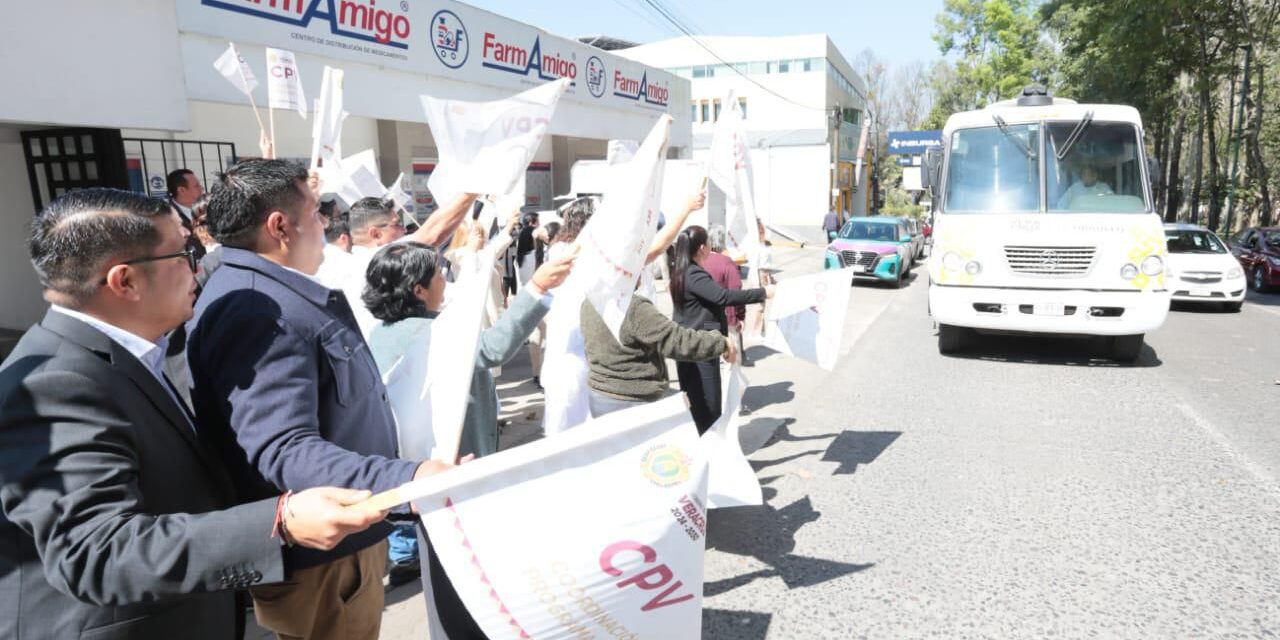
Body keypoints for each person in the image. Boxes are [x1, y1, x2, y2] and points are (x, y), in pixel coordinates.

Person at [0, 188, 389, 640]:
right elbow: (94, 553)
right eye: (185, 253)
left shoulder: (138, 350)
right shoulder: (54, 385)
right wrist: (279, 522)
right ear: (124, 282)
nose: (200, 266)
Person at [185, 160, 462, 640]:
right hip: (326, 559)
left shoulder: (269, 291)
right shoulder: (254, 307)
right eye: (317, 214)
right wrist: (408, 479)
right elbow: (283, 450)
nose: (327, 226)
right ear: (280, 226)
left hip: (342, 543)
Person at [670, 225, 770, 433]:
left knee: (696, 406)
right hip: (699, 348)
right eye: (707, 245)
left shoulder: (681, 271)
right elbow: (723, 297)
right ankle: (709, 454)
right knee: (708, 407)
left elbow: (699, 311)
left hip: (690, 345)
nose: (710, 248)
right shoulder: (694, 274)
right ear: (702, 248)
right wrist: (763, 292)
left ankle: (703, 450)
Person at [581, 289, 736, 419]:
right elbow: (677, 341)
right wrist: (720, 342)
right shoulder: (633, 307)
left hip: (600, 395)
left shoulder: (589, 301)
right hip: (634, 400)